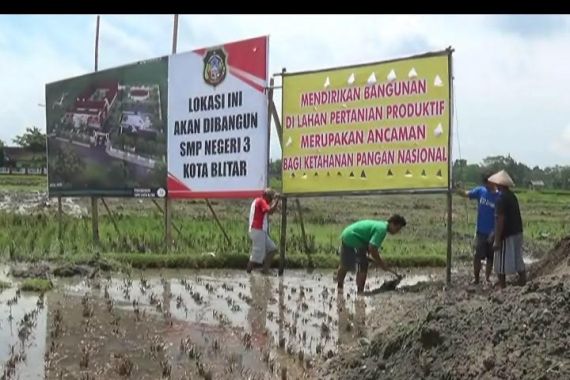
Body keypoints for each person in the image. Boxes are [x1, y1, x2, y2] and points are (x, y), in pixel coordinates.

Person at [336, 215, 406, 293]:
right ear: (392, 224)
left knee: (345, 264)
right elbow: (372, 248)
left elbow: (369, 247)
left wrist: (375, 260)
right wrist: (381, 264)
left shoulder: (380, 225)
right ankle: (360, 292)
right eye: (397, 229)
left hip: (347, 234)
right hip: (354, 238)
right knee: (363, 265)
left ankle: (339, 288)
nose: (397, 232)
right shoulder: (382, 229)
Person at [455, 172, 499, 284]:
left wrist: (494, 232)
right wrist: (455, 189)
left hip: (492, 232)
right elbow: (466, 194)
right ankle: (476, 278)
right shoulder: (480, 191)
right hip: (480, 231)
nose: (488, 184)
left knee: (490, 257)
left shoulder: (499, 197)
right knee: (477, 256)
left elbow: (499, 217)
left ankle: (488, 278)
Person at [488, 170, 526, 289]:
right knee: (518, 258)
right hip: (517, 232)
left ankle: (503, 287)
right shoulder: (512, 196)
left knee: (500, 263)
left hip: (507, 234)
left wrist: (497, 239)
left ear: (499, 185)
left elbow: (500, 219)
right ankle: (523, 281)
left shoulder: (501, 199)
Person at [246, 188, 280, 274]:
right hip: (257, 230)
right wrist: (277, 200)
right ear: (265, 195)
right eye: (270, 198)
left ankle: (265, 270)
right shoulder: (261, 201)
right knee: (256, 255)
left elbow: (269, 209)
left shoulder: (258, 201)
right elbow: (270, 211)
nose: (271, 200)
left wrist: (275, 202)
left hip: (260, 231)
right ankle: (248, 273)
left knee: (272, 249)